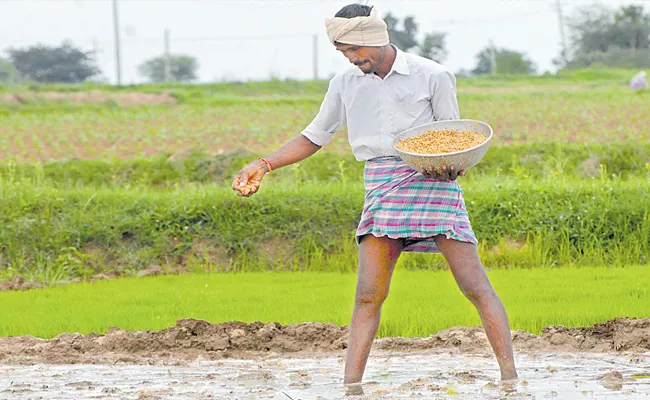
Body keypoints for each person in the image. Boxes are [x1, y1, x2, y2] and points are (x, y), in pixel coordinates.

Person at [232, 3, 518, 389]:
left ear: (375, 39)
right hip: (381, 185)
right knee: (368, 294)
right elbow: (313, 137)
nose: (352, 59)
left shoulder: (432, 75)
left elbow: (453, 138)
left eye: (354, 50)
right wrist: (263, 164)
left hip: (431, 181)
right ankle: (350, 386)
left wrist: (451, 166)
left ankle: (510, 379)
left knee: (474, 285)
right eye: (343, 53)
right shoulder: (345, 84)